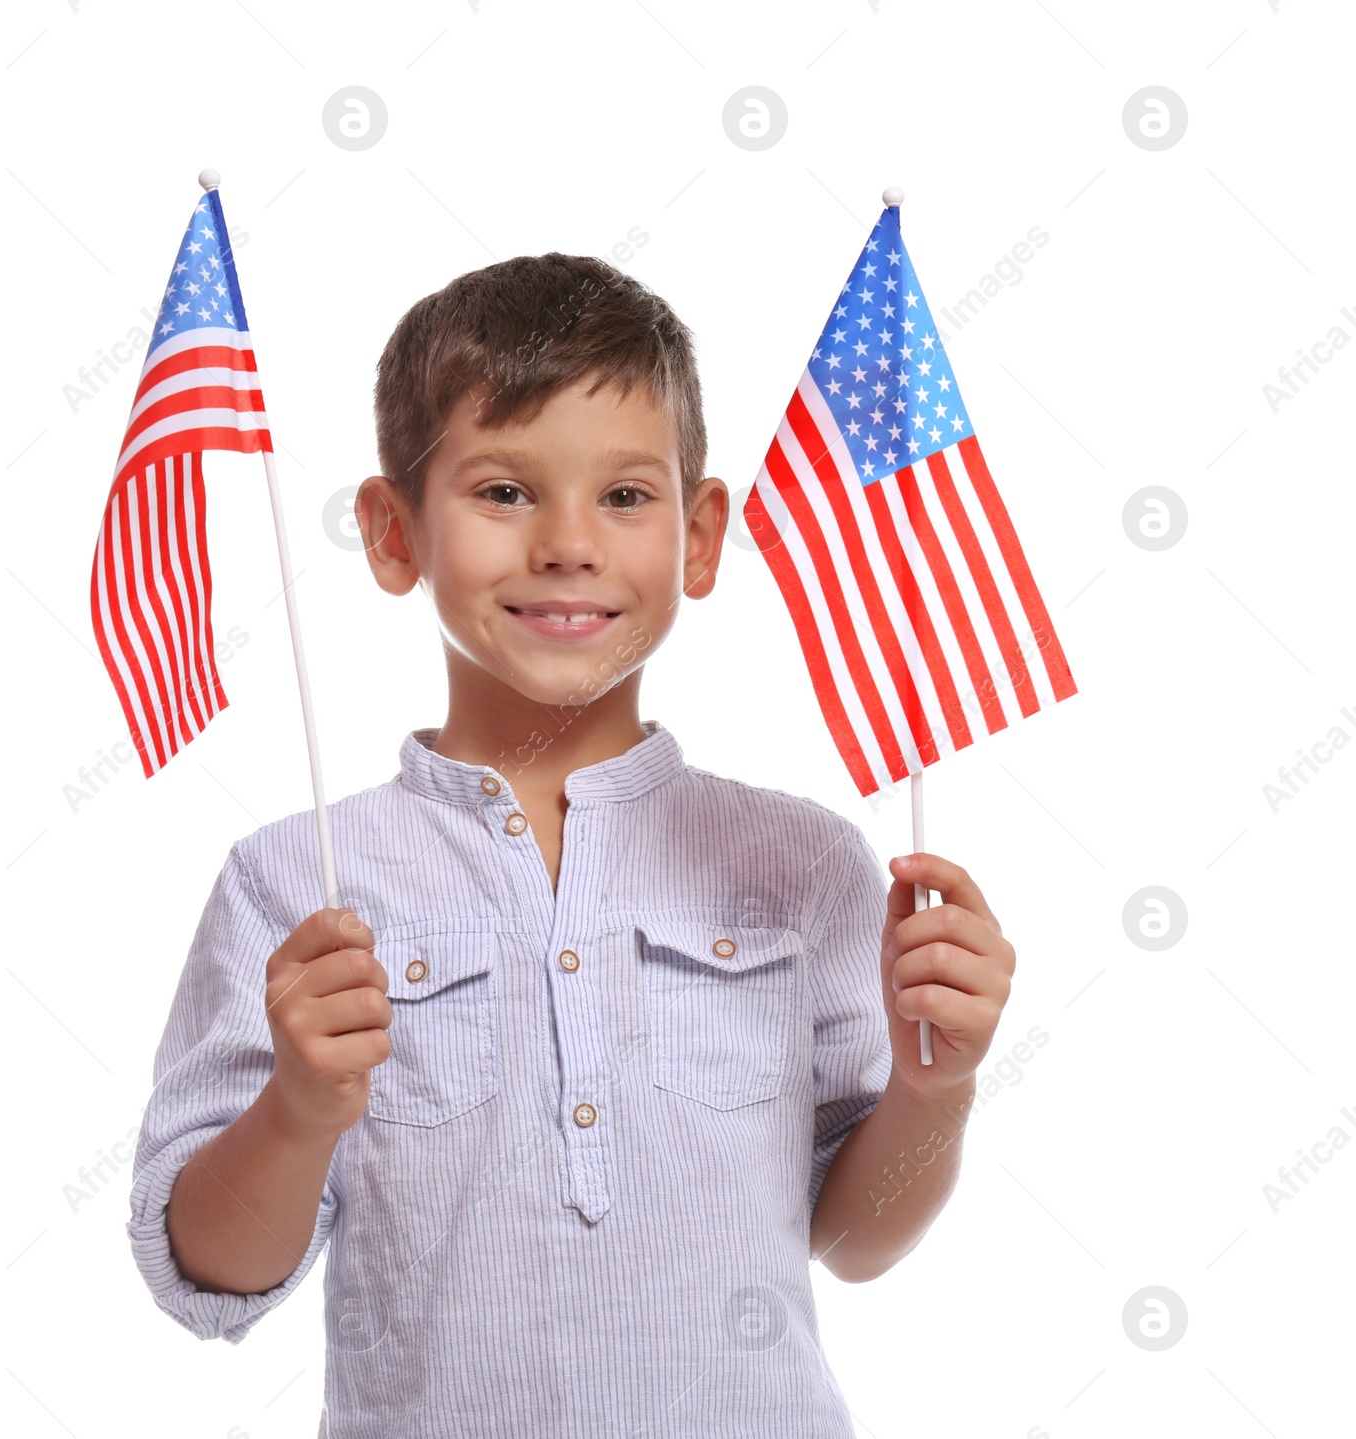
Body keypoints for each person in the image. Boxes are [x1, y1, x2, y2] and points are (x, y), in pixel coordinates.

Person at [126, 252, 1017, 1437]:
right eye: (502, 491)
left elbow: (851, 1240)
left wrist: (934, 1086)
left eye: (626, 496)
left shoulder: (803, 863)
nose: (567, 543)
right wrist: (297, 1106)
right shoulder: (293, 882)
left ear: (701, 538)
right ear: (394, 535)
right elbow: (212, 1273)